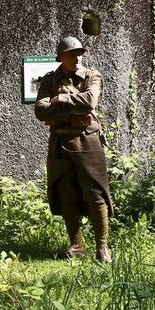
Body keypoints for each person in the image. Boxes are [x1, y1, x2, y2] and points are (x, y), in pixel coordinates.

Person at [34, 36, 114, 263]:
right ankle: (76, 245)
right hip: (59, 141)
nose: (77, 58)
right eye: (71, 54)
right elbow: (41, 110)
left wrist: (59, 99)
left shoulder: (92, 76)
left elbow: (90, 102)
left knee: (95, 192)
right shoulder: (50, 79)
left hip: (87, 139)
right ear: (61, 57)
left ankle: (102, 248)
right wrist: (72, 111)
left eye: (79, 53)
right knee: (65, 192)